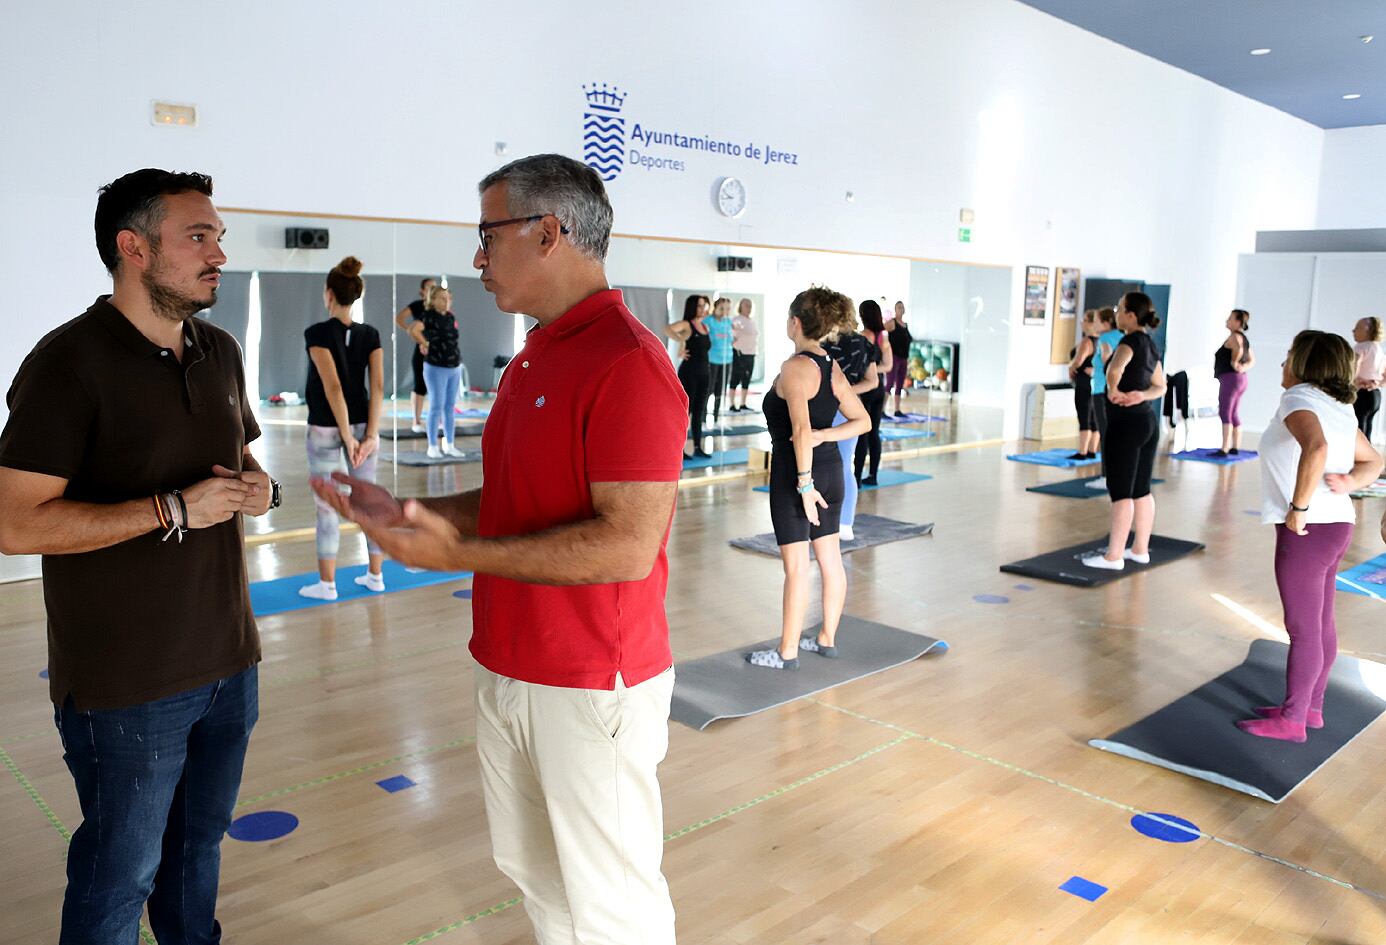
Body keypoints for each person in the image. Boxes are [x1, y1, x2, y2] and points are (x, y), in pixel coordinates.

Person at [312, 153, 688, 944]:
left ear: (549, 232)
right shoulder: (534, 355)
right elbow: (517, 500)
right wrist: (415, 507)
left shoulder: (630, 363)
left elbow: (626, 545)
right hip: (508, 663)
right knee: (538, 879)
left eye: (489, 235)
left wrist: (459, 555)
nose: (476, 259)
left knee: (613, 904)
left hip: (590, 681)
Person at [0, 168, 273, 944]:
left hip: (229, 662)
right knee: (120, 876)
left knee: (197, 853)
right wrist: (170, 509)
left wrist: (259, 490)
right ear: (134, 247)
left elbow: (243, 466)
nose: (219, 251)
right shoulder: (67, 363)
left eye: (217, 235)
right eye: (199, 236)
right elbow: (15, 525)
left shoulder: (219, 350)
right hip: (127, 686)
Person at [1238, 330, 1383, 741]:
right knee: (1320, 622)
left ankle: (1292, 720)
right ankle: (1310, 708)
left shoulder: (1299, 398)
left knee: (1303, 627)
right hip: (1337, 523)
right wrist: (1352, 479)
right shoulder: (1338, 406)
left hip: (1310, 526)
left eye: (1288, 355)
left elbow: (1315, 448)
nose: (1282, 363)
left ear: (1305, 365)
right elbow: (1375, 459)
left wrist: (1298, 507)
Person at [746, 287, 869, 670]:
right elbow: (860, 421)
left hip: (798, 475)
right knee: (830, 560)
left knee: (797, 567)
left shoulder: (795, 368)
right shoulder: (830, 366)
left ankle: (787, 653)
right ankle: (826, 639)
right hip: (832, 471)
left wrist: (804, 485)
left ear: (795, 323)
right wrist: (825, 436)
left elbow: (800, 431)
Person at [299, 255, 386, 601]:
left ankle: (327, 584)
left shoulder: (317, 333)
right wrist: (370, 435)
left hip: (325, 427)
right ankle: (376, 575)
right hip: (364, 425)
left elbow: (332, 387)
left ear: (329, 294)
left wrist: (348, 436)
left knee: (326, 506)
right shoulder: (371, 334)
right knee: (369, 502)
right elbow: (377, 387)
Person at [1083, 292, 1167, 570]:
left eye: (1120, 308)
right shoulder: (1150, 345)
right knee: (1141, 489)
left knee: (1121, 491)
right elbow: (1160, 386)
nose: (1117, 312)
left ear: (1131, 315)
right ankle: (1140, 549)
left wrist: (1115, 390)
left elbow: (1113, 372)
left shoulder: (1128, 341)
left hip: (1126, 425)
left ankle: (1114, 556)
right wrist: (1142, 396)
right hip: (1146, 422)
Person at [823, 309, 882, 543]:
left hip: (832, 409)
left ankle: (838, 521)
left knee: (828, 465)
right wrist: (847, 393)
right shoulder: (864, 343)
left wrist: (840, 393)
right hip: (850, 409)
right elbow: (873, 381)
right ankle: (844, 522)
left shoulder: (825, 341)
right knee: (845, 464)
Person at [409, 284, 465, 458]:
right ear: (432, 300)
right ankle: (432, 445)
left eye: (448, 298)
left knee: (449, 407)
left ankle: (449, 444)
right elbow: (413, 330)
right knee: (436, 406)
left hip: (454, 367)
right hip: (435, 367)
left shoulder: (450, 317)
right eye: (442, 298)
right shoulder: (427, 316)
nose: (446, 301)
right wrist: (424, 343)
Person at [665, 294, 711, 458]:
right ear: (693, 307)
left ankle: (698, 447)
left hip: (704, 374)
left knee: (699, 412)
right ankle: (681, 449)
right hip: (689, 374)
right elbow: (667, 328)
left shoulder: (705, 327)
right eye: (699, 306)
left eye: (703, 306)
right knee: (686, 412)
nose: (702, 309)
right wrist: (680, 339)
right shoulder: (687, 324)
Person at [854, 299, 893, 485]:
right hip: (879, 388)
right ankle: (873, 476)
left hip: (866, 388)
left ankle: (857, 477)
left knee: (863, 432)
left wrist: (868, 372)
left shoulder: (863, 336)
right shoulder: (883, 337)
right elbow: (888, 365)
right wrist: (875, 370)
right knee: (874, 432)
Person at [1085, 307, 1122, 490]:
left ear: (1106, 323)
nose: (1095, 324)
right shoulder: (1121, 337)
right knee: (1111, 434)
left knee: (1105, 434)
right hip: (1111, 390)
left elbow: (1108, 361)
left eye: (1097, 321)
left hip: (1101, 390)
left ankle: (1107, 476)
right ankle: (1114, 474)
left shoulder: (1105, 339)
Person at [394, 276, 436, 433]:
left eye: (434, 288)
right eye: (429, 288)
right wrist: (412, 332)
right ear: (422, 291)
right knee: (420, 385)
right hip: (422, 350)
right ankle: (416, 421)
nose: (432, 291)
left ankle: (436, 419)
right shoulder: (418, 306)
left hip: (438, 353)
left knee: (437, 388)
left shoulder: (439, 308)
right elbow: (399, 318)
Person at [1213, 308, 1255, 456]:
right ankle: (1235, 446)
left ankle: (1224, 448)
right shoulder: (1244, 338)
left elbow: (1238, 349)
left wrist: (1234, 361)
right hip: (1241, 379)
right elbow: (1252, 359)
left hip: (1230, 379)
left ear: (1237, 322)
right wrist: (1242, 367)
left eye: (1230, 318)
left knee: (1225, 411)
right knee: (1234, 412)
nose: (1227, 320)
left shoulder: (1234, 337)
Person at [1066, 309, 1099, 460]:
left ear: (1092, 323)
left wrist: (1071, 367)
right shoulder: (1101, 340)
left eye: (1084, 320)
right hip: (1094, 384)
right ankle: (1092, 450)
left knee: (1084, 416)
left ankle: (1082, 451)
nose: (1082, 323)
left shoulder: (1088, 341)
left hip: (1084, 383)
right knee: (1093, 416)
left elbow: (1078, 361)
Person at [1352, 316, 1384, 438]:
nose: (1353, 331)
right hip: (1375, 394)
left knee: (1358, 425)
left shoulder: (1361, 347)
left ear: (1368, 330)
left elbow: (1355, 365)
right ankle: (1368, 452)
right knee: (1368, 425)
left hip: (1362, 393)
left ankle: (1357, 454)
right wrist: (1378, 384)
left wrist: (1352, 384)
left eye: (1357, 328)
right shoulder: (1379, 349)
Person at [706, 296, 735, 422]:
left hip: (727, 360)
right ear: (716, 308)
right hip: (712, 359)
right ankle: (702, 418)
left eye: (727, 309)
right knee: (709, 388)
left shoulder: (729, 322)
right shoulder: (708, 321)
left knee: (720, 389)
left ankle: (716, 418)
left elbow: (732, 339)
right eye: (721, 308)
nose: (724, 311)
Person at [729, 297, 758, 412]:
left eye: (750, 305)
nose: (748, 308)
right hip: (739, 353)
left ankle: (743, 404)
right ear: (740, 306)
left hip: (751, 353)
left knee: (747, 379)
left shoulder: (752, 321)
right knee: (735, 378)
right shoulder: (736, 319)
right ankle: (732, 404)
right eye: (746, 305)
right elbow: (729, 332)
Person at [885, 300, 913, 417]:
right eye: (899, 307)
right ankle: (882, 409)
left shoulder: (905, 325)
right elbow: (881, 333)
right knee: (890, 383)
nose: (901, 309)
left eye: (902, 307)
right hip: (894, 357)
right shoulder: (892, 323)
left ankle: (897, 410)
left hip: (903, 358)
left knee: (900, 384)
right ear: (895, 310)